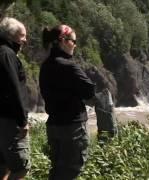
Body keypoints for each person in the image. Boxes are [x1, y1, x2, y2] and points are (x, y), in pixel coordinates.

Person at [39, 25, 95, 180]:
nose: (75, 45)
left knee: (57, 170)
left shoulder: (45, 66)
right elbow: (89, 90)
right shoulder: (68, 65)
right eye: (73, 41)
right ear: (63, 41)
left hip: (54, 125)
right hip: (72, 127)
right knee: (71, 171)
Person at [0, 17, 30, 180]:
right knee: (20, 167)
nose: (25, 40)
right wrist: (22, 121)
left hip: (3, 118)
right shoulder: (7, 54)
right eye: (22, 36)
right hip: (9, 121)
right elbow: (13, 88)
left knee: (3, 166)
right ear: (11, 35)